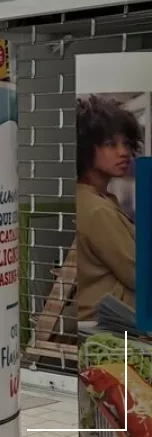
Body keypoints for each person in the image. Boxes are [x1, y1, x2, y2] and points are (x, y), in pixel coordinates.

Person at [75, 95, 143, 321]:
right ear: (86, 149)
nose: (124, 152)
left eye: (127, 143)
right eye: (110, 144)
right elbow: (139, 274)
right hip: (109, 331)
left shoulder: (95, 198)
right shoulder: (96, 209)